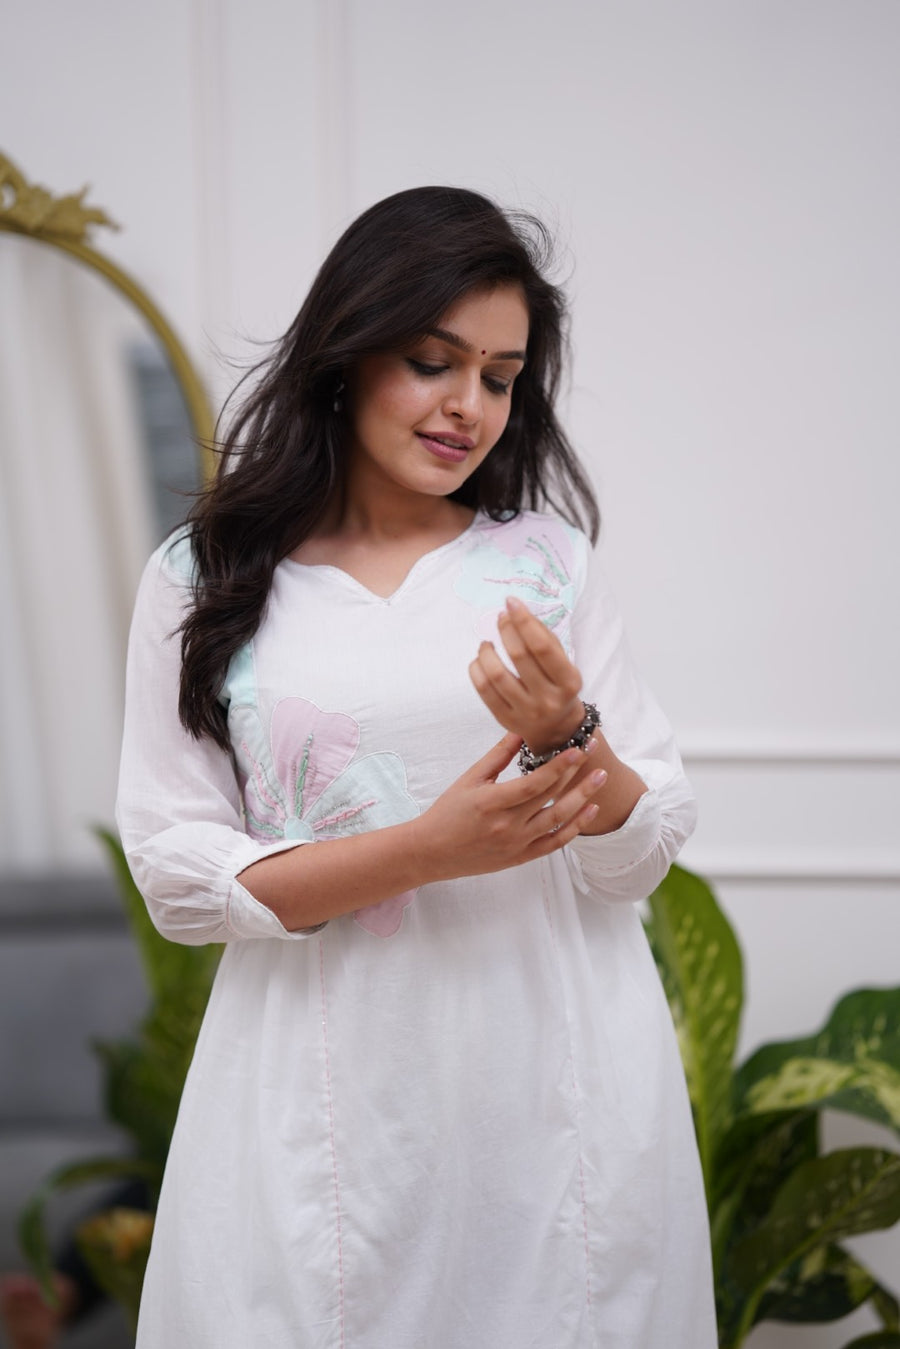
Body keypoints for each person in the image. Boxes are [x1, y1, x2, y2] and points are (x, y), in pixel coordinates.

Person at [116, 185, 717, 1347]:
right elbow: (179, 874)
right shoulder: (206, 576)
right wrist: (425, 850)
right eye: (434, 362)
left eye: (500, 376)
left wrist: (571, 731)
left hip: (556, 1088)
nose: (468, 406)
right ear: (347, 354)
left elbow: (639, 853)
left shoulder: (546, 564)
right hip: (318, 1098)